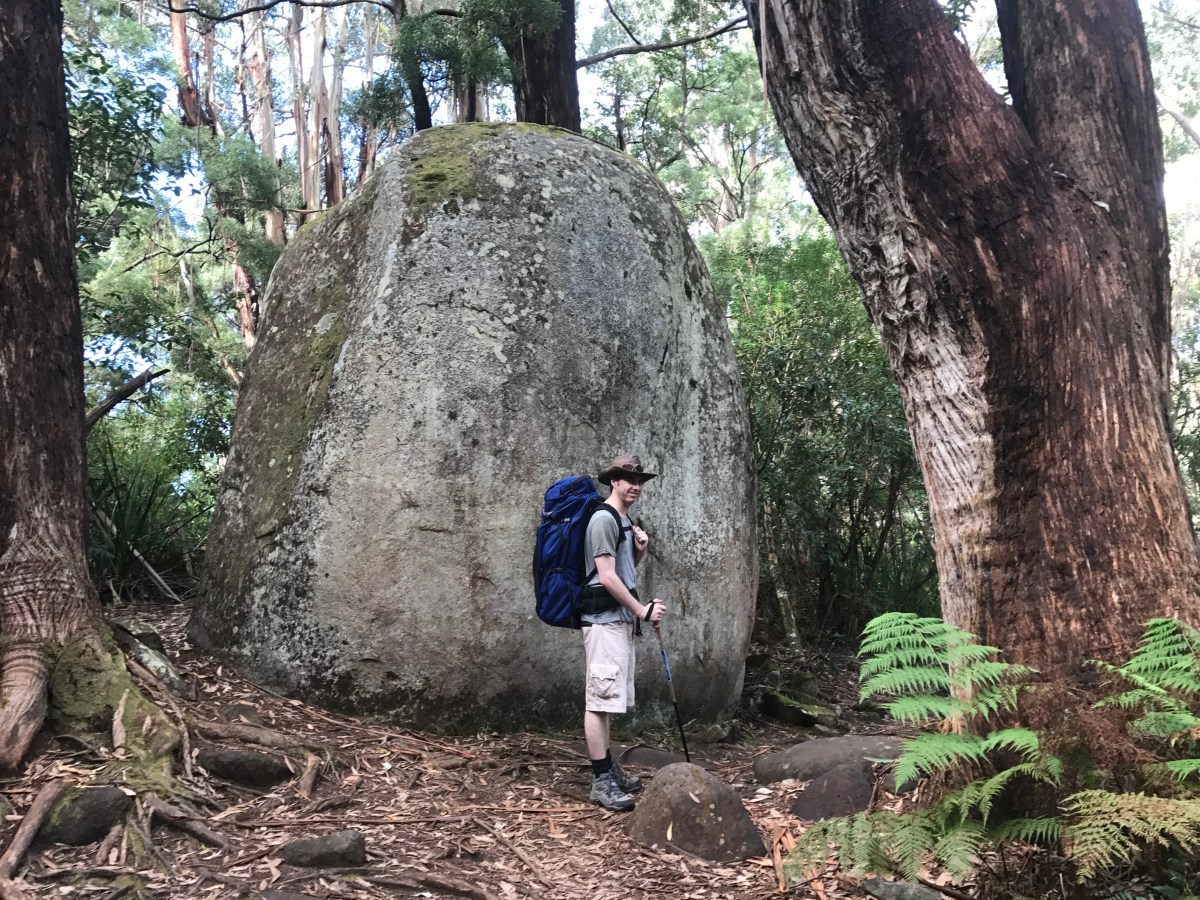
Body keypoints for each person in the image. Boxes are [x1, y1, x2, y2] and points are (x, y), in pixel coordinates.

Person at [581, 454, 667, 811]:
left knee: (608, 701)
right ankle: (601, 781)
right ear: (613, 482)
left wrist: (639, 551)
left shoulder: (623, 521)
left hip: (617, 621)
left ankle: (609, 769)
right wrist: (641, 611)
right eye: (629, 480)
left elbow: (622, 572)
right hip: (604, 622)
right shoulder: (603, 519)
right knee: (598, 700)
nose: (636, 486)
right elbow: (605, 577)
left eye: (640, 481)